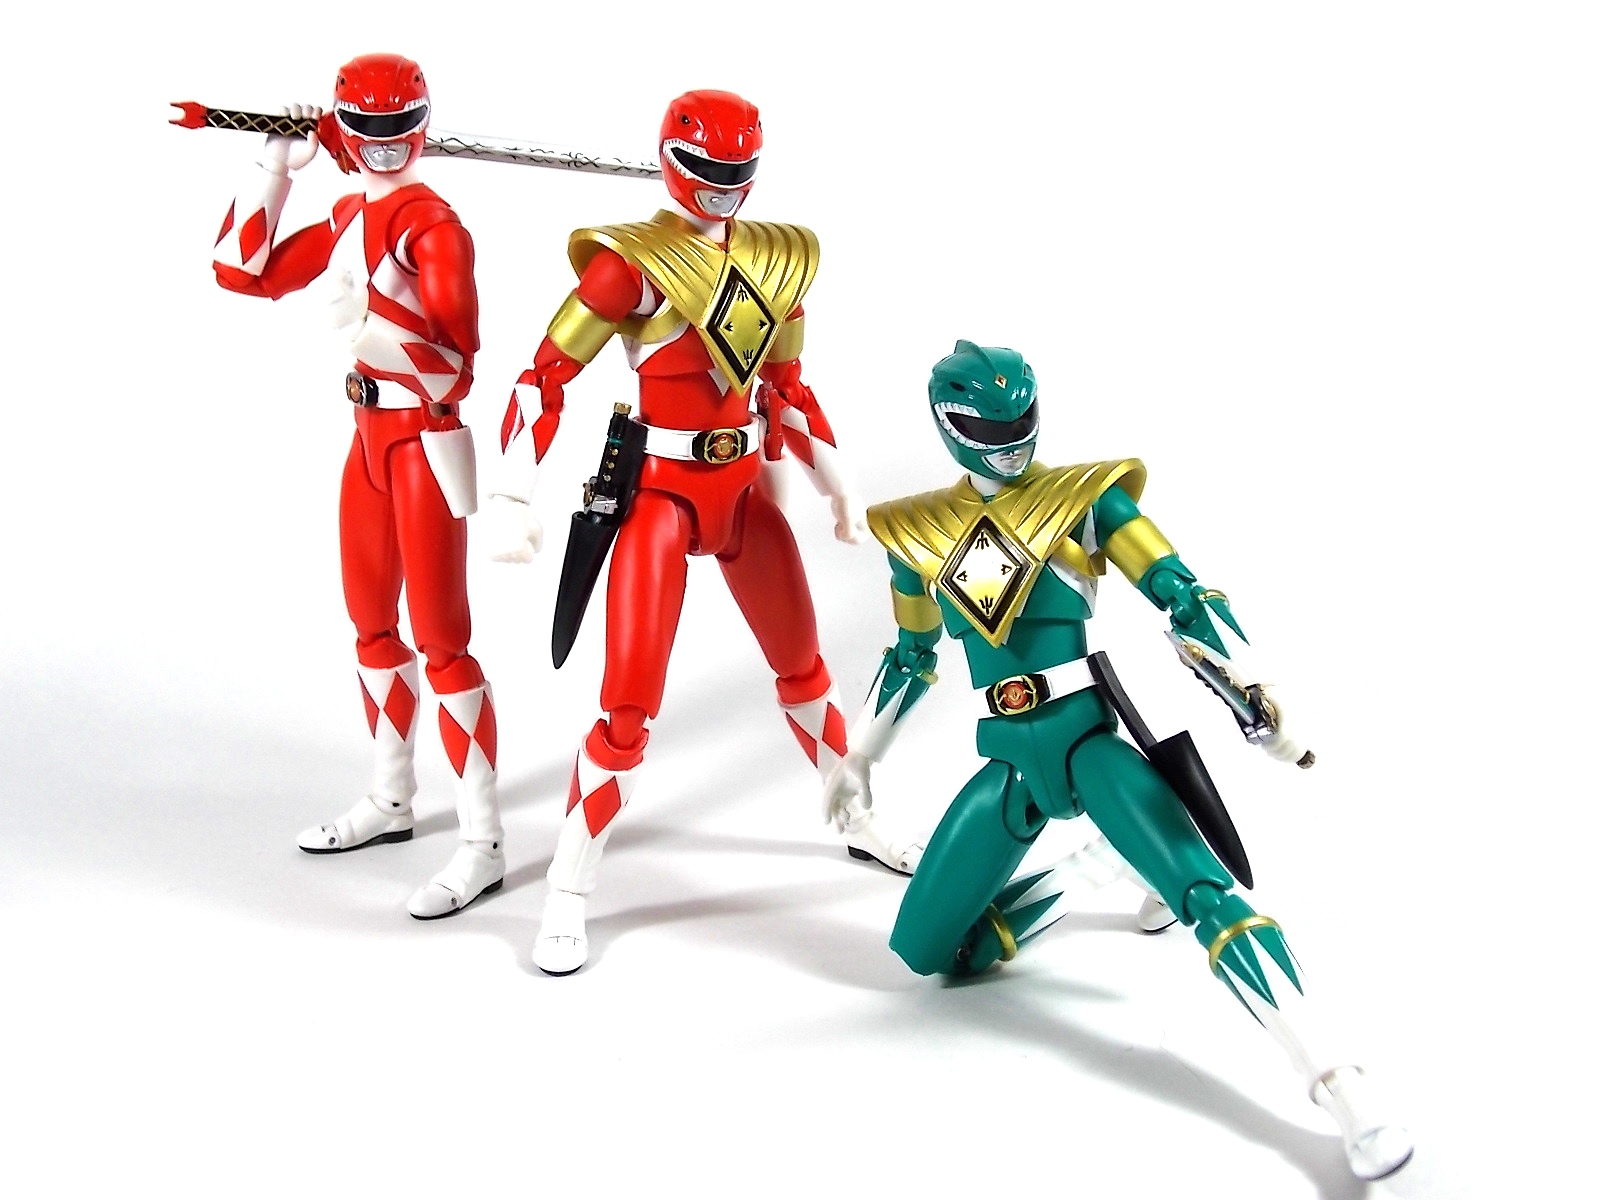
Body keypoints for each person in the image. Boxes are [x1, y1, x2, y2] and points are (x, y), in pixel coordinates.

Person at [825, 341, 1413, 1181]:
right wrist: (858, 757)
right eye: (988, 430)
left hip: (1087, 743)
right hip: (1010, 765)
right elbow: (912, 656)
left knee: (1208, 896)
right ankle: (1095, 868)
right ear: (950, 428)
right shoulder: (915, 533)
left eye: (1020, 422)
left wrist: (1254, 680)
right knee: (932, 953)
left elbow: (1182, 592)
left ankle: (1345, 1091)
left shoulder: (1087, 499)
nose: (1009, 443)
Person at [488, 89, 921, 974]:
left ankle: (857, 815)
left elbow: (788, 392)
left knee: (804, 669)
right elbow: (542, 379)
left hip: (742, 496)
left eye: (736, 173)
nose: (722, 188)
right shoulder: (630, 267)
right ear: (671, 163)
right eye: (706, 172)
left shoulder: (777, 261)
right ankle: (568, 887)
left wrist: (838, 487)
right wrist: (512, 492)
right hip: (661, 496)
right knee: (627, 709)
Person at [211, 53, 502, 919]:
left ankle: (483, 841)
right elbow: (240, 271)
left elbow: (458, 369)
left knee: (443, 642)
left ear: (421, 126)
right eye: (365, 129)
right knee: (371, 624)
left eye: (396, 128)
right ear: (344, 126)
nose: (382, 145)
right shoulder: (347, 213)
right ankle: (390, 796)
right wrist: (273, 166)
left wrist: (366, 330)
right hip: (367, 439)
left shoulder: (434, 228)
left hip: (422, 442)